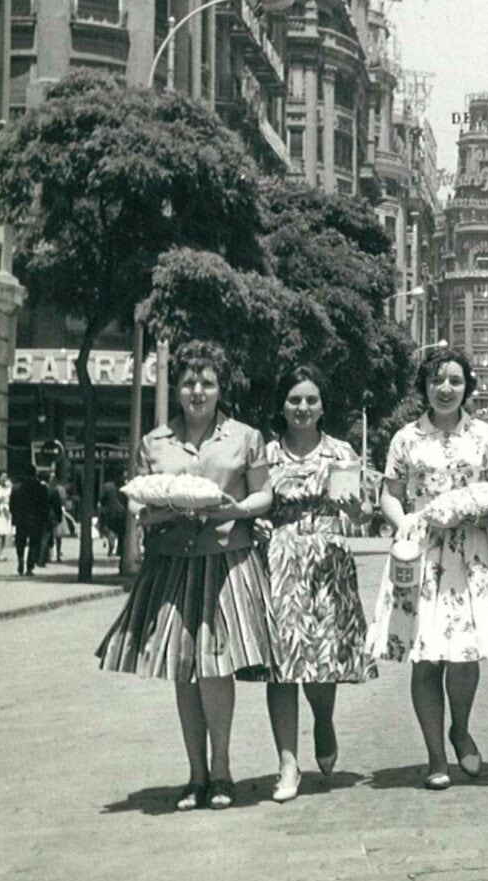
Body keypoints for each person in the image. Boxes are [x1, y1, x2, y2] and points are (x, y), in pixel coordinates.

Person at [94, 341, 274, 811]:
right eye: (189, 382)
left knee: (215, 665)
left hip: (225, 560)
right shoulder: (155, 443)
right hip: (172, 563)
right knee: (183, 667)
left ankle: (222, 771)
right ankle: (195, 775)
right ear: (177, 387)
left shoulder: (245, 437)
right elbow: (140, 504)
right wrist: (159, 512)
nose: (197, 391)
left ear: (220, 389)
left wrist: (235, 509)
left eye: (207, 383)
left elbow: (263, 498)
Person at [366, 345, 488, 791]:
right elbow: (389, 494)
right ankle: (435, 755)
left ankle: (460, 728)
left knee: (465, 655)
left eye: (454, 380)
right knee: (426, 656)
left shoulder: (485, 435)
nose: (445, 389)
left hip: (472, 552)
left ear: (468, 385)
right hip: (423, 554)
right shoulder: (406, 438)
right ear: (424, 387)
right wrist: (404, 521)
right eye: (436, 380)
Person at [263, 367, 376, 803]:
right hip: (278, 560)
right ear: (282, 405)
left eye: (311, 400)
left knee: (322, 661)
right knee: (282, 664)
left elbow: (364, 514)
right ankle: (287, 763)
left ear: (322, 405)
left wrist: (357, 509)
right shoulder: (266, 454)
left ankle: (324, 720)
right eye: (294, 400)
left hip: (328, 562)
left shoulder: (341, 452)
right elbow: (254, 503)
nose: (303, 408)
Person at [9, 467, 53, 577]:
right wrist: (45, 519)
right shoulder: (40, 488)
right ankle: (29, 567)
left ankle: (20, 560)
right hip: (36, 520)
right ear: (35, 474)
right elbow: (45, 505)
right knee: (34, 543)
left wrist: (15, 516)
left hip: (21, 519)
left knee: (20, 542)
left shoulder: (17, 488)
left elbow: (12, 505)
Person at [98, 476, 127, 556]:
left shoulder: (107, 487)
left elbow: (102, 499)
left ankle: (111, 545)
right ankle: (119, 550)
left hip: (110, 512)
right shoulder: (125, 487)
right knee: (122, 533)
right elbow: (127, 501)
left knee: (111, 530)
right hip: (122, 512)